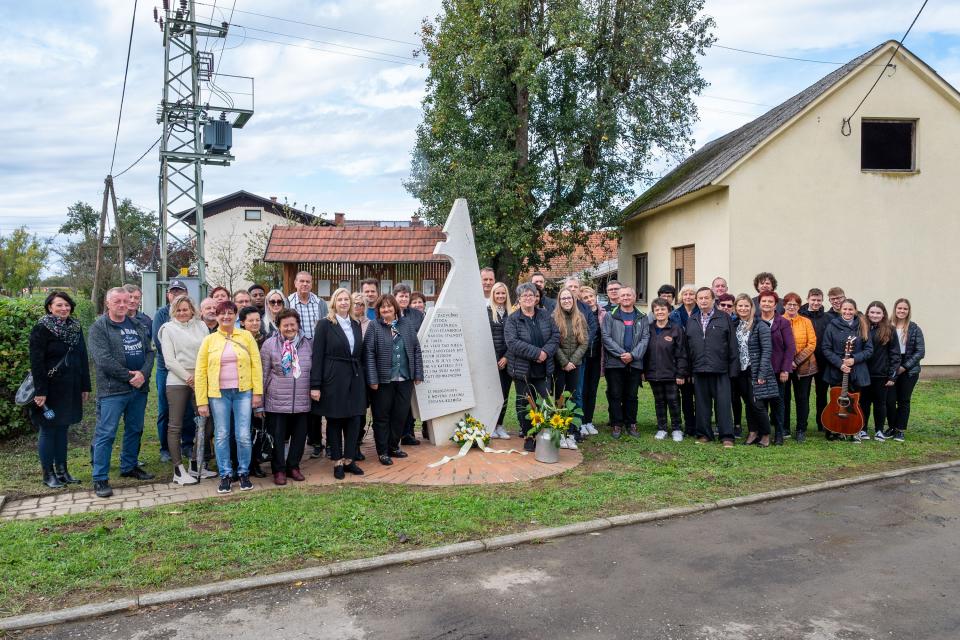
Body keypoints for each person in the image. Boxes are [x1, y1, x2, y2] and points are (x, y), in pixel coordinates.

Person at [88, 287, 155, 498]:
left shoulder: (137, 324)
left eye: (126, 301)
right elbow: (103, 360)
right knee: (106, 433)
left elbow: (149, 353)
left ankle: (129, 466)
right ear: (108, 303)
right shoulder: (99, 327)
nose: (123, 305)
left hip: (139, 389)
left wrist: (143, 374)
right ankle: (100, 478)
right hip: (113, 391)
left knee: (135, 429)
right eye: (117, 301)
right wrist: (129, 376)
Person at [195, 300, 263, 494]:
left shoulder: (246, 336)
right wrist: (202, 401)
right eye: (222, 313)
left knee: (243, 435)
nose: (226, 316)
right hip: (218, 394)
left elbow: (256, 365)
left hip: (243, 392)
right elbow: (200, 372)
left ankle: (243, 472)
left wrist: (257, 393)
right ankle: (225, 474)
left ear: (235, 316)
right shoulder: (209, 340)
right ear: (217, 317)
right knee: (222, 434)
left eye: (230, 313)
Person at [29, 291, 91, 488]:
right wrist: (41, 391)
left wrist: (85, 386)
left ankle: (63, 471)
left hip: (71, 387)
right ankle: (48, 474)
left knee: (63, 428)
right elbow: (36, 362)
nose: (64, 308)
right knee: (48, 429)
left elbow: (82, 357)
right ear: (50, 307)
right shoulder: (41, 328)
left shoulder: (75, 327)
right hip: (49, 389)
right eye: (59, 305)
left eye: (67, 305)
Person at [311, 289, 366, 480]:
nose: (343, 302)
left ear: (351, 303)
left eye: (346, 299)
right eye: (340, 299)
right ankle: (337, 461)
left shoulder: (355, 324)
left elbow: (359, 353)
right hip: (333, 379)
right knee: (335, 420)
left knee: (355, 420)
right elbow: (317, 356)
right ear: (333, 303)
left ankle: (349, 459)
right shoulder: (325, 324)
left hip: (355, 378)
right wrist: (315, 385)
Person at [157, 295, 210, 485]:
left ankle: (195, 463)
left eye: (185, 309)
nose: (182, 313)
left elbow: (207, 352)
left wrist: (199, 378)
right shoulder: (167, 329)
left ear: (192, 310)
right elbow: (169, 360)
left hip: (200, 379)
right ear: (173, 311)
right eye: (178, 310)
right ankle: (178, 470)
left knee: (206, 422)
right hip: (177, 381)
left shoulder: (202, 326)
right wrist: (188, 378)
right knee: (175, 425)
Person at [365, 294, 423, 465]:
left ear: (395, 308)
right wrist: (372, 379)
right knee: (382, 417)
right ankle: (383, 451)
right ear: (378, 310)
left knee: (400, 415)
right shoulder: (374, 326)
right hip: (383, 381)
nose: (386, 309)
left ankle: (393, 446)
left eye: (389, 306)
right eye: (382, 307)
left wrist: (418, 374)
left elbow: (416, 349)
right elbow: (368, 353)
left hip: (405, 379)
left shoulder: (406, 324)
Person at [261, 308, 313, 485]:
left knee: (299, 437)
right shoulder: (269, 345)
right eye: (285, 325)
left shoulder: (308, 344)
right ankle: (278, 469)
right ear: (279, 326)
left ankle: (293, 466)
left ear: (298, 325)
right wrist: (259, 404)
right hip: (276, 400)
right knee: (277, 437)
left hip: (302, 399)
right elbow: (263, 374)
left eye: (293, 324)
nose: (289, 328)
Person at [505, 283, 560, 451]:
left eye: (531, 295)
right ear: (519, 299)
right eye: (524, 296)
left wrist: (545, 353)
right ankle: (529, 435)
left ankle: (545, 434)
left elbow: (555, 336)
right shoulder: (513, 319)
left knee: (546, 402)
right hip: (523, 370)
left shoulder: (545, 315)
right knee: (525, 404)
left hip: (543, 369)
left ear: (536, 298)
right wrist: (537, 353)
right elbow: (512, 343)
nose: (528, 298)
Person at [685, 287, 738, 447]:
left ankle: (727, 436)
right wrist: (689, 370)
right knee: (702, 405)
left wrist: (733, 370)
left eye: (706, 297)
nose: (703, 301)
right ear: (696, 301)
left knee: (723, 404)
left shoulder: (724, 318)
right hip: (699, 369)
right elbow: (688, 347)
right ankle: (704, 434)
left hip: (721, 369)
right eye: (700, 298)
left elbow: (732, 345)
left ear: (713, 300)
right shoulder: (692, 320)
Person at [152, 279, 194, 465]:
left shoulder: (192, 315)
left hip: (190, 370)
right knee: (166, 409)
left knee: (188, 409)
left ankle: (187, 444)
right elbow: (160, 343)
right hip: (167, 369)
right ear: (168, 295)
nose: (176, 294)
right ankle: (165, 448)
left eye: (180, 291)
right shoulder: (161, 314)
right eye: (173, 292)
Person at [821, 299, 873, 441]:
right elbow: (826, 348)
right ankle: (837, 429)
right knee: (838, 400)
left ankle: (855, 429)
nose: (847, 312)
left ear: (855, 310)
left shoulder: (862, 325)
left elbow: (869, 350)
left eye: (850, 309)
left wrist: (854, 359)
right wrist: (840, 364)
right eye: (845, 309)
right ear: (840, 310)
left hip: (857, 370)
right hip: (836, 370)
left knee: (855, 402)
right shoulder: (832, 326)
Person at [601, 286, 649, 439]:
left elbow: (645, 339)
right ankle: (616, 424)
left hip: (634, 363)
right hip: (615, 363)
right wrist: (622, 354)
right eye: (623, 295)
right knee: (615, 394)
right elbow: (606, 337)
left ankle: (631, 423)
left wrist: (633, 355)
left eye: (629, 295)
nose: (626, 298)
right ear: (618, 298)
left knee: (632, 395)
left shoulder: (642, 317)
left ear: (634, 297)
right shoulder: (610, 316)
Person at [732, 294, 775, 447]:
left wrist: (762, 373)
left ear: (751, 307)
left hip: (755, 370)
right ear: (736, 308)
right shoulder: (734, 324)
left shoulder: (760, 325)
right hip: (740, 371)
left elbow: (767, 350)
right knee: (748, 403)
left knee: (757, 404)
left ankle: (765, 434)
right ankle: (753, 432)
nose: (743, 308)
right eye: (740, 306)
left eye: (746, 306)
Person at [643, 297, 687, 442]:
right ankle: (662, 428)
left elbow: (682, 353)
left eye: (663, 309)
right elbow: (644, 352)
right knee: (659, 402)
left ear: (669, 311)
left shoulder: (676, 329)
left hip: (671, 373)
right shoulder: (648, 328)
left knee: (674, 402)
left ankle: (676, 429)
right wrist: (644, 371)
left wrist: (680, 373)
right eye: (657, 309)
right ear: (653, 312)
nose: (660, 312)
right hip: (653, 373)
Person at [757, 291, 795, 445]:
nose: (766, 304)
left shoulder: (783, 322)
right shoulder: (755, 321)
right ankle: (763, 432)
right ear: (759, 303)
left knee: (777, 402)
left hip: (778, 370)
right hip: (759, 369)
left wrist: (785, 369)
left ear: (775, 304)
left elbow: (790, 348)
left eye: (770, 301)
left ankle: (779, 433)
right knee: (761, 403)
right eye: (764, 301)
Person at [553, 288, 588, 448]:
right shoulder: (554, 318)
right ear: (559, 301)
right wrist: (564, 362)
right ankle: (560, 431)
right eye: (563, 298)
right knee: (560, 398)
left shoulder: (580, 317)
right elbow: (553, 342)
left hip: (575, 365)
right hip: (559, 365)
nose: (566, 301)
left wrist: (572, 361)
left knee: (572, 398)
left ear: (574, 300)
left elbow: (584, 342)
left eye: (569, 298)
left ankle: (572, 432)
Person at [860, 301, 900, 441]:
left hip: (881, 374)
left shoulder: (890, 330)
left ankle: (879, 430)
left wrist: (892, 376)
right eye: (872, 312)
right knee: (864, 403)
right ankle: (863, 429)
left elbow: (895, 354)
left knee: (880, 403)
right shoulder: (862, 328)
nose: (875, 315)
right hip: (864, 373)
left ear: (883, 314)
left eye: (878, 313)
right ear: (867, 313)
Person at [887, 298, 924, 442]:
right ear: (895, 309)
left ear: (908, 311)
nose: (902, 311)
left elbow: (920, 351)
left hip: (909, 370)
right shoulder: (887, 326)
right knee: (890, 400)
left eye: (905, 309)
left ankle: (900, 430)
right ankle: (891, 427)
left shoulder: (914, 328)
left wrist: (904, 367)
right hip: (891, 365)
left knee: (903, 400)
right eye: (899, 308)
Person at [782, 292, 818, 443]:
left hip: (804, 365)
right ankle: (784, 427)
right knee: (783, 397)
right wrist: (787, 361)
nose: (792, 307)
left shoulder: (806, 322)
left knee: (802, 398)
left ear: (799, 306)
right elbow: (776, 343)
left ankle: (801, 429)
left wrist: (796, 361)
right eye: (789, 304)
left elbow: (812, 343)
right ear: (784, 305)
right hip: (783, 366)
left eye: (795, 304)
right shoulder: (778, 320)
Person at [240, 305, 269, 477]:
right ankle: (241, 463)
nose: (255, 323)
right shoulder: (238, 340)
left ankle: (255, 462)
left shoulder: (266, 339)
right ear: (242, 322)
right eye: (251, 320)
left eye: (257, 320)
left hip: (262, 388)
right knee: (243, 429)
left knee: (258, 428)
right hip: (242, 388)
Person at [394, 283, 424, 446]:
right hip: (395, 363)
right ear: (395, 297)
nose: (404, 299)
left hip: (412, 362)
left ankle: (407, 433)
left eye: (406, 296)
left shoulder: (417, 315)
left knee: (408, 401)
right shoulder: (390, 312)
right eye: (401, 296)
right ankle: (396, 434)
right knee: (396, 403)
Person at [799, 288, 830, 432]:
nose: (816, 303)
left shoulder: (827, 318)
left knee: (822, 394)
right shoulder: (800, 316)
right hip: (805, 361)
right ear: (808, 299)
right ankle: (802, 425)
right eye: (813, 300)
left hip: (823, 361)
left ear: (822, 301)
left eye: (819, 300)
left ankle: (821, 423)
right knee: (803, 395)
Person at [670, 284, 698, 436]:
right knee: (686, 396)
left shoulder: (701, 312)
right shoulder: (674, 314)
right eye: (685, 294)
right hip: (681, 359)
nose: (688, 296)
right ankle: (689, 426)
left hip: (698, 359)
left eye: (691, 294)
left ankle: (701, 425)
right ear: (681, 296)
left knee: (700, 396)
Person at [487, 281, 513, 439]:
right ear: (493, 295)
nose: (500, 296)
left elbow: (516, 338)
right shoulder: (487, 312)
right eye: (498, 293)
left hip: (508, 359)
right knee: (491, 394)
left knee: (504, 394)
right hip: (492, 360)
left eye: (503, 293)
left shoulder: (512, 313)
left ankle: (500, 425)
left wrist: (506, 357)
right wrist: (495, 359)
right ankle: (490, 425)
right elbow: (485, 337)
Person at [577, 286, 603, 437]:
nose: (589, 300)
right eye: (585, 298)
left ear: (595, 296)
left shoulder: (603, 313)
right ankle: (580, 422)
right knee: (581, 390)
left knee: (592, 390)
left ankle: (589, 421)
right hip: (583, 357)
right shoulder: (580, 314)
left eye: (591, 296)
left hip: (597, 358)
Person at [287, 271, 328, 340]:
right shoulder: (287, 303)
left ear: (311, 285)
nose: (305, 284)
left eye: (308, 282)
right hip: (295, 345)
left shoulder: (321, 303)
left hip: (316, 344)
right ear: (295, 283)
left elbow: (327, 327)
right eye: (302, 281)